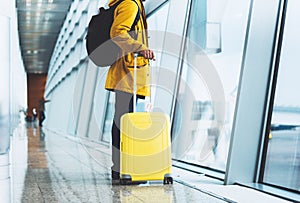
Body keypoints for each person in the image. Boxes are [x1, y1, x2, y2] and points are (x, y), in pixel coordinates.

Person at [104, 0, 155, 183]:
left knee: (123, 122)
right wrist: (141, 48)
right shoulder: (130, 4)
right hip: (128, 74)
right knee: (124, 123)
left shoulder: (132, 4)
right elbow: (117, 33)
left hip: (130, 73)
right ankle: (123, 171)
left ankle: (120, 170)